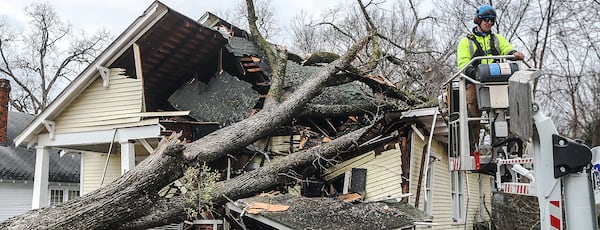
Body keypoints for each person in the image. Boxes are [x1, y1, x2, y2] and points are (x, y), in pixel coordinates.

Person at [456, 5, 524, 150]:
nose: (489, 23)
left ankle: (510, 144)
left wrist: (514, 53)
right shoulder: (466, 42)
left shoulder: (497, 38)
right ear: (478, 20)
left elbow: (507, 48)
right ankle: (471, 147)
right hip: (474, 83)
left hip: (497, 82)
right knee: (473, 113)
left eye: (492, 21)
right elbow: (463, 64)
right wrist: (477, 74)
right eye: (486, 20)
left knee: (510, 109)